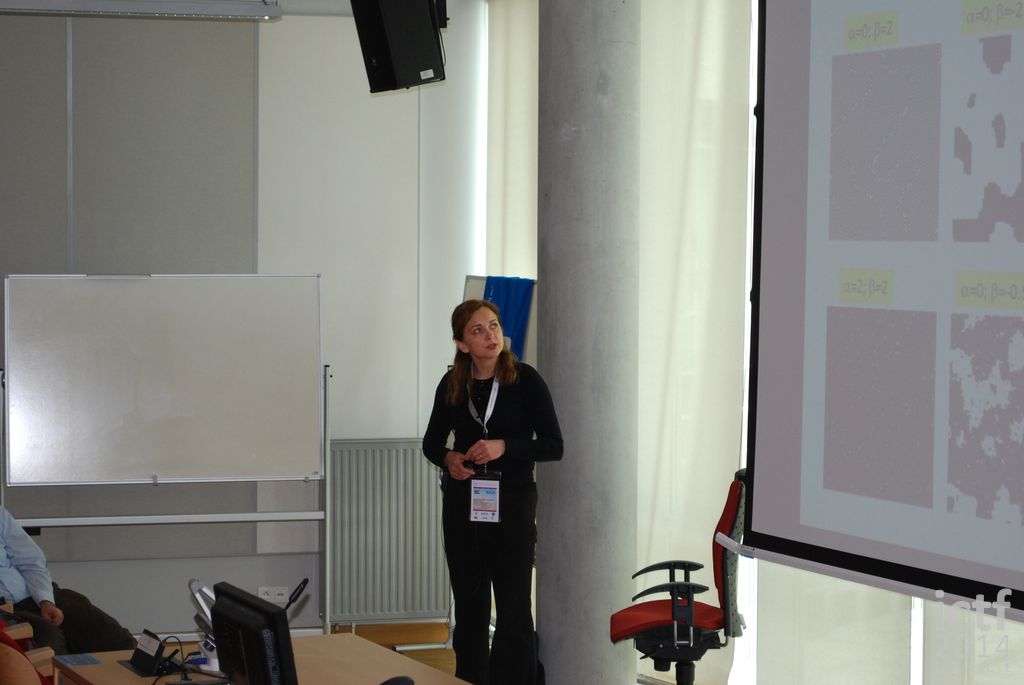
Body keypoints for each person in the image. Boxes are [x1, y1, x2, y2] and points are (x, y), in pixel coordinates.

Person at [422, 299, 563, 685]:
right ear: (462, 344)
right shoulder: (452, 384)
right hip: (463, 505)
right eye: (478, 330)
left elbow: (553, 445)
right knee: (469, 605)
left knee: (513, 605)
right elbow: (431, 443)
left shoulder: (525, 380)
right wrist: (448, 458)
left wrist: (505, 446)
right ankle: (470, 678)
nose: (490, 335)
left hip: (512, 504)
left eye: (494, 325)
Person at [0, 505, 136, 655]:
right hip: (7, 611)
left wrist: (46, 601)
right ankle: (63, 670)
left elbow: (30, 559)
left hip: (33, 593)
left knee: (90, 618)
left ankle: (140, 662)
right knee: (49, 639)